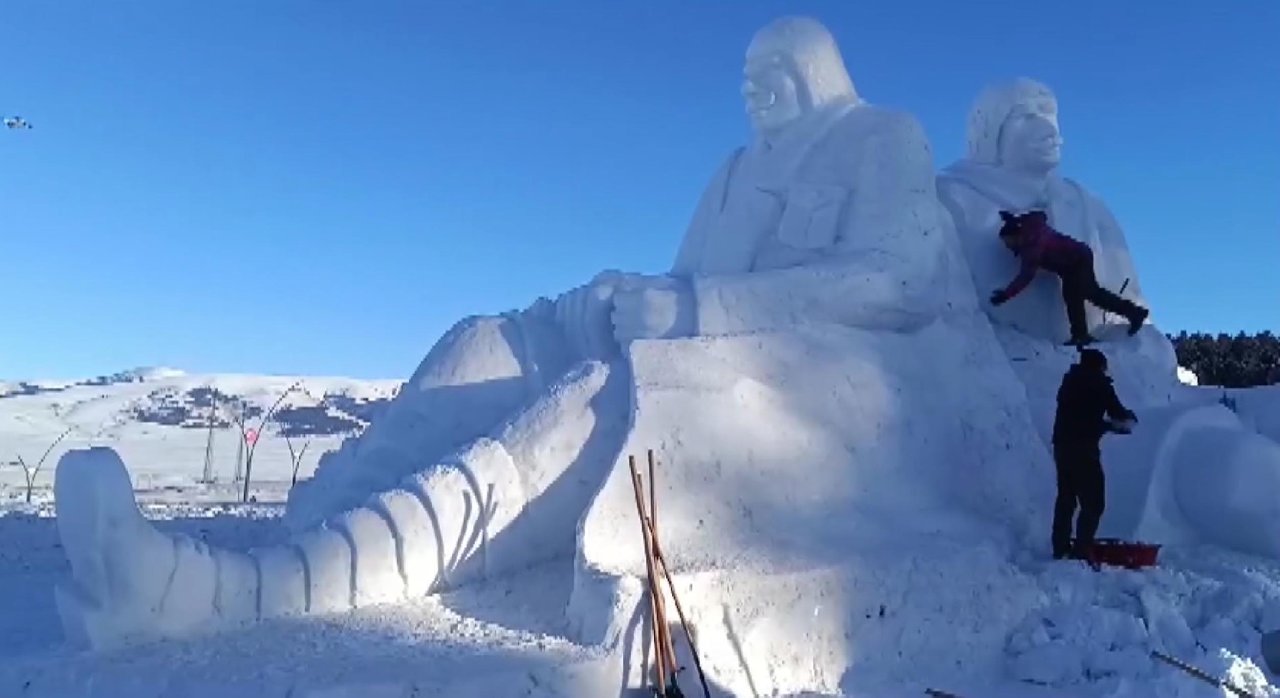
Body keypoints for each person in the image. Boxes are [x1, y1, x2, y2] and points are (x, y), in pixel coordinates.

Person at [990, 210, 1148, 345]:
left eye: (1007, 241)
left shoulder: (1032, 249)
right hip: (1073, 261)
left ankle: (1134, 314)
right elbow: (1039, 215)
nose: (1007, 245)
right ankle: (1081, 334)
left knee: (1089, 293)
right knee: (1074, 295)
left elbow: (1025, 277)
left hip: (1078, 260)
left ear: (1016, 235)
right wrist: (1015, 219)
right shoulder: (1032, 227)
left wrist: (1005, 295)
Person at [1050, 348, 1136, 562]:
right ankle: (1081, 552)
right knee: (1094, 502)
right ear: (1100, 366)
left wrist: (1103, 426)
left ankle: (1060, 548)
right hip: (1084, 449)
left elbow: (1079, 416)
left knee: (1066, 498)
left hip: (1062, 447)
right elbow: (1117, 413)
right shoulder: (1099, 384)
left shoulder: (1069, 382)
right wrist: (1125, 420)